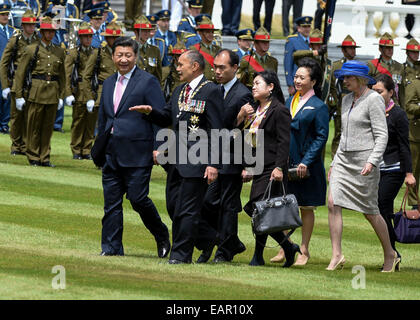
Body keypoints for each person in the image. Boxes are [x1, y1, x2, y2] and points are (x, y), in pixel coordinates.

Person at [129, 50, 224, 264]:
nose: (177, 68)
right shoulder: (180, 90)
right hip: (176, 160)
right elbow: (166, 118)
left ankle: (181, 255)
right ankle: (210, 238)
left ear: (195, 66)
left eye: (181, 64)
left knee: (187, 210)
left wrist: (213, 164)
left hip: (198, 160)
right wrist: (150, 111)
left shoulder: (211, 91)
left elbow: (217, 129)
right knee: (173, 207)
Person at [96, 37, 170, 257]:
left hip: (138, 153)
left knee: (138, 199)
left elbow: (160, 117)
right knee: (111, 205)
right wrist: (99, 146)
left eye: (128, 55)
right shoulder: (108, 82)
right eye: (119, 55)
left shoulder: (148, 82)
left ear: (136, 57)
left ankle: (161, 233)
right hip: (111, 153)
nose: (124, 59)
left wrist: (159, 147)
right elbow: (104, 118)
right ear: (113, 56)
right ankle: (111, 248)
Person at [328, 60, 399, 272]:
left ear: (360, 79)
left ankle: (390, 253)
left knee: (370, 211)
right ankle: (337, 255)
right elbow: (343, 135)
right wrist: (334, 161)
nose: (344, 80)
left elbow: (381, 135)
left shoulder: (374, 99)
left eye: (348, 77)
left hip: (365, 162)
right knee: (332, 202)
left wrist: (372, 161)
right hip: (343, 160)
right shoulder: (346, 98)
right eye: (344, 77)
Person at [238, 70, 301, 267]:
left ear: (271, 87)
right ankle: (285, 248)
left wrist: (279, 168)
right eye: (253, 83)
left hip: (272, 167)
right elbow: (247, 137)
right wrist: (247, 166)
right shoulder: (254, 110)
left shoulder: (279, 110)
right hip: (257, 166)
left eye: (258, 83)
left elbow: (284, 141)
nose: (253, 86)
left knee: (257, 208)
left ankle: (263, 253)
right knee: (261, 210)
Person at [271, 57, 329, 266]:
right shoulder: (289, 101)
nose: (297, 80)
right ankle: (285, 246)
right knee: (285, 206)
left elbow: (321, 137)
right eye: (296, 76)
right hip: (287, 162)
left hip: (307, 166)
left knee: (306, 207)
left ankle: (304, 250)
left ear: (313, 81)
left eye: (302, 78)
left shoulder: (319, 106)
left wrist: (306, 161)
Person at [200, 49, 253, 263]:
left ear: (235, 68)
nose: (217, 71)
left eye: (222, 67)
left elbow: (248, 132)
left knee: (228, 206)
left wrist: (248, 165)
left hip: (233, 157)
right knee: (208, 202)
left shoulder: (244, 94)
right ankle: (230, 241)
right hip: (213, 156)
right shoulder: (213, 90)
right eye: (215, 67)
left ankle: (224, 252)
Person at [372, 73, 416, 266]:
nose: (376, 95)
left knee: (380, 207)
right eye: (373, 91)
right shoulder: (372, 111)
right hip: (376, 169)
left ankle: (392, 252)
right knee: (383, 211)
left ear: (391, 92)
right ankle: (391, 254)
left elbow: (404, 146)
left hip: (394, 168)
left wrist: (409, 173)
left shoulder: (398, 114)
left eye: (380, 92)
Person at [13, 16, 66, 167]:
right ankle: (33, 155)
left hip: (52, 92)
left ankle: (45, 156)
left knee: (47, 128)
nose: (50, 34)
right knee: (34, 126)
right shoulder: (31, 49)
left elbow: (62, 76)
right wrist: (18, 95)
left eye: (52, 32)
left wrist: (62, 95)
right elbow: (20, 74)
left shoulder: (59, 51)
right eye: (47, 31)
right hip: (36, 91)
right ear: (42, 32)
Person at [0, 9, 39, 155]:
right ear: (22, 26)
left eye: (33, 25)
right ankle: (16, 145)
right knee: (17, 115)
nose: (31, 28)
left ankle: (26, 144)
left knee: (31, 115)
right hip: (17, 80)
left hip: (33, 80)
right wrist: (5, 85)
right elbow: (4, 63)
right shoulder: (15, 40)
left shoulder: (37, 40)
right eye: (28, 25)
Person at [64, 22, 96, 160]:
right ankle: (76, 149)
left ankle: (87, 149)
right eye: (85, 37)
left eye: (89, 36)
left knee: (91, 123)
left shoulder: (96, 52)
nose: (88, 39)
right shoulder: (73, 53)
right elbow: (67, 74)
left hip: (91, 91)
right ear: (80, 38)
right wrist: (67, 93)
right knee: (78, 121)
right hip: (77, 91)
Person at [328, 35, 359, 158]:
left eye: (354, 48)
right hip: (340, 106)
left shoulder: (359, 66)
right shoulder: (336, 66)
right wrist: (334, 104)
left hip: (356, 106)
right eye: (350, 48)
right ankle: (335, 161)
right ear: (343, 50)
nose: (353, 51)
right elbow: (331, 87)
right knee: (339, 134)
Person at [83, 21, 120, 117]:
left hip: (119, 94)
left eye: (117, 37)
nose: (115, 40)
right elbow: (86, 76)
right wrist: (89, 98)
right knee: (99, 128)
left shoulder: (123, 54)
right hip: (101, 94)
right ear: (107, 38)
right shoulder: (98, 53)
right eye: (112, 37)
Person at [368, 32, 404, 106]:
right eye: (387, 48)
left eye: (391, 47)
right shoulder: (372, 65)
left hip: (394, 104)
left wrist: (403, 108)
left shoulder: (399, 67)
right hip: (377, 102)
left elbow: (401, 90)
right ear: (380, 49)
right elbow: (367, 87)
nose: (390, 50)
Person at [284, 16, 311, 97]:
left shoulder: (313, 40)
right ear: (298, 28)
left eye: (308, 26)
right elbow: (288, 63)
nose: (307, 29)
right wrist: (290, 84)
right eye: (304, 27)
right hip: (297, 81)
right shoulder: (292, 41)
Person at [188, 15, 220, 82]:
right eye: (207, 32)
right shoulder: (194, 49)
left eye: (212, 32)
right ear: (200, 33)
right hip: (202, 85)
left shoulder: (218, 49)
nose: (211, 34)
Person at [133, 15, 163, 83]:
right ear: (136, 32)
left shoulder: (155, 50)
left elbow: (158, 76)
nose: (147, 34)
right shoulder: (129, 49)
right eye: (144, 31)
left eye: (148, 31)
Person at [0, 3, 14, 135]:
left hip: (8, 70)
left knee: (7, 97)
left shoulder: (12, 31)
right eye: (2, 14)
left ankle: (4, 124)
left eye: (6, 14)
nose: (5, 17)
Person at [155, 10, 177, 81]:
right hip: (160, 70)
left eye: (168, 21)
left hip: (172, 70)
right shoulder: (154, 36)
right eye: (163, 21)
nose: (166, 23)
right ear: (158, 22)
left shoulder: (173, 35)